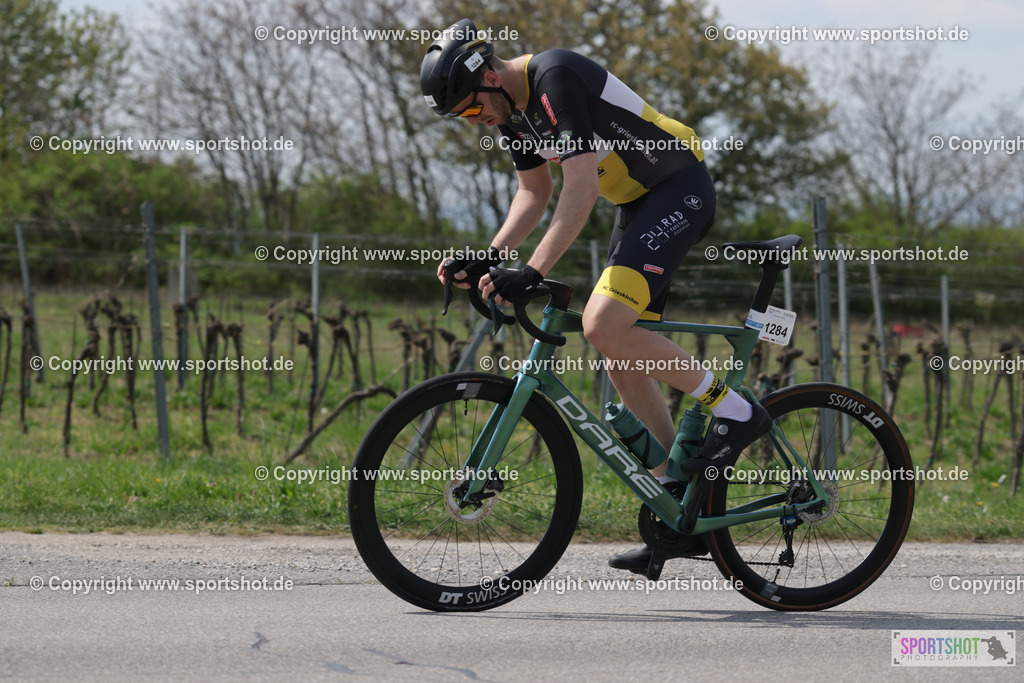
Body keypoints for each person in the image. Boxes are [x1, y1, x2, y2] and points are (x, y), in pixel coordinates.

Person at [421, 19, 770, 573]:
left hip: (677, 187)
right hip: (637, 204)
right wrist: (490, 256)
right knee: (620, 350)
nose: (476, 121)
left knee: (602, 324)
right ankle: (677, 498)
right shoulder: (513, 110)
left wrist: (532, 271)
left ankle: (733, 408)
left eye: (469, 108)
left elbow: (579, 190)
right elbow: (532, 192)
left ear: (488, 76)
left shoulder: (553, 78)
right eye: (465, 116)